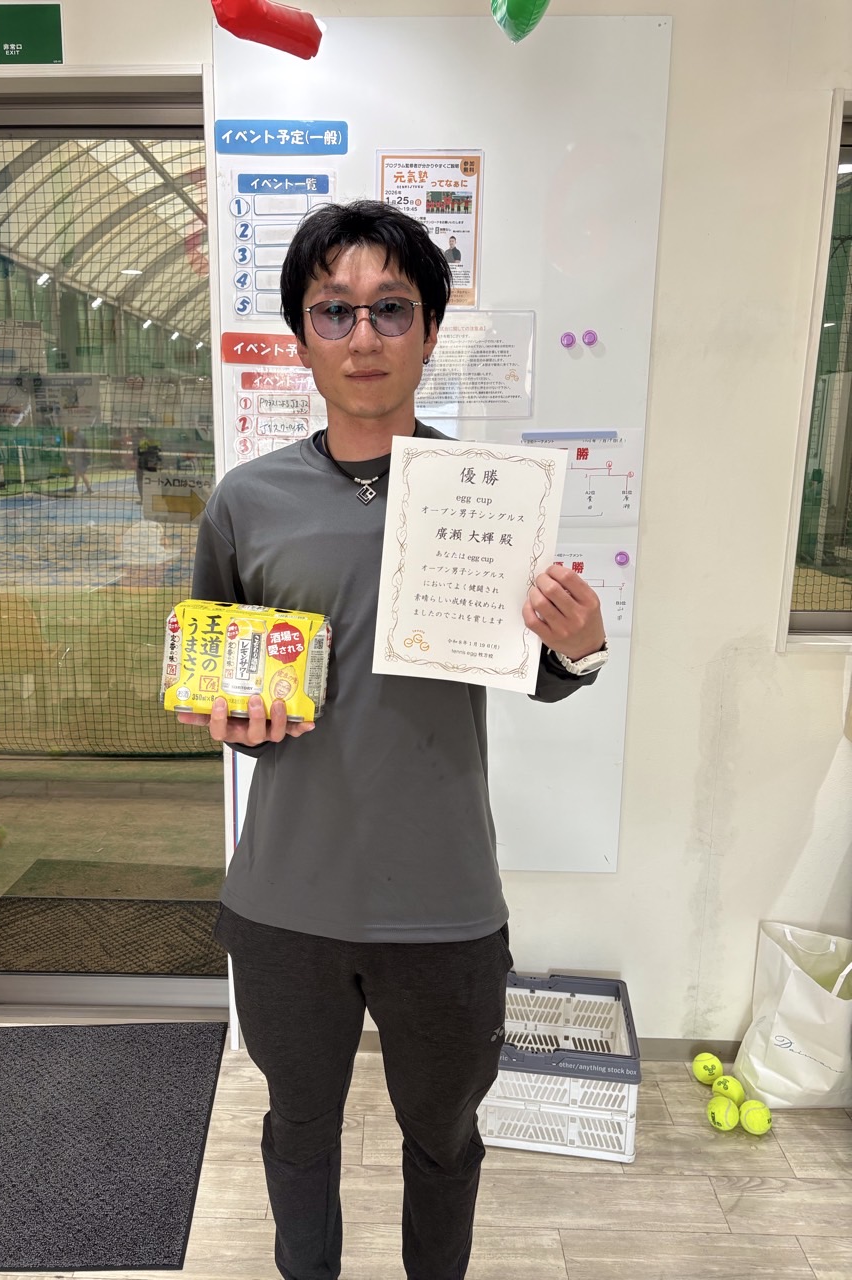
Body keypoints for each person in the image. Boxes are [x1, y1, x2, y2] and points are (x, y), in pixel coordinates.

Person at [181, 200, 607, 1280]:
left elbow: (542, 672)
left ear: (430, 331)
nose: (363, 335)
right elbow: (221, 676)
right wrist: (230, 721)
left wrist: (582, 647)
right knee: (297, 1131)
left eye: (391, 309)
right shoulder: (245, 503)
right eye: (335, 310)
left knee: (445, 1138)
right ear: (301, 337)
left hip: (446, 905)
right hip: (287, 902)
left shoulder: (494, 500)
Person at [68, 427, 93, 494]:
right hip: (79, 457)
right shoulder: (75, 435)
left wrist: (73, 457)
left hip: (83, 458)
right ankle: (74, 487)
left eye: (74, 426)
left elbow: (80, 447)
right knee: (77, 472)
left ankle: (89, 489)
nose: (72, 428)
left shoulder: (80, 435)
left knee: (81, 473)